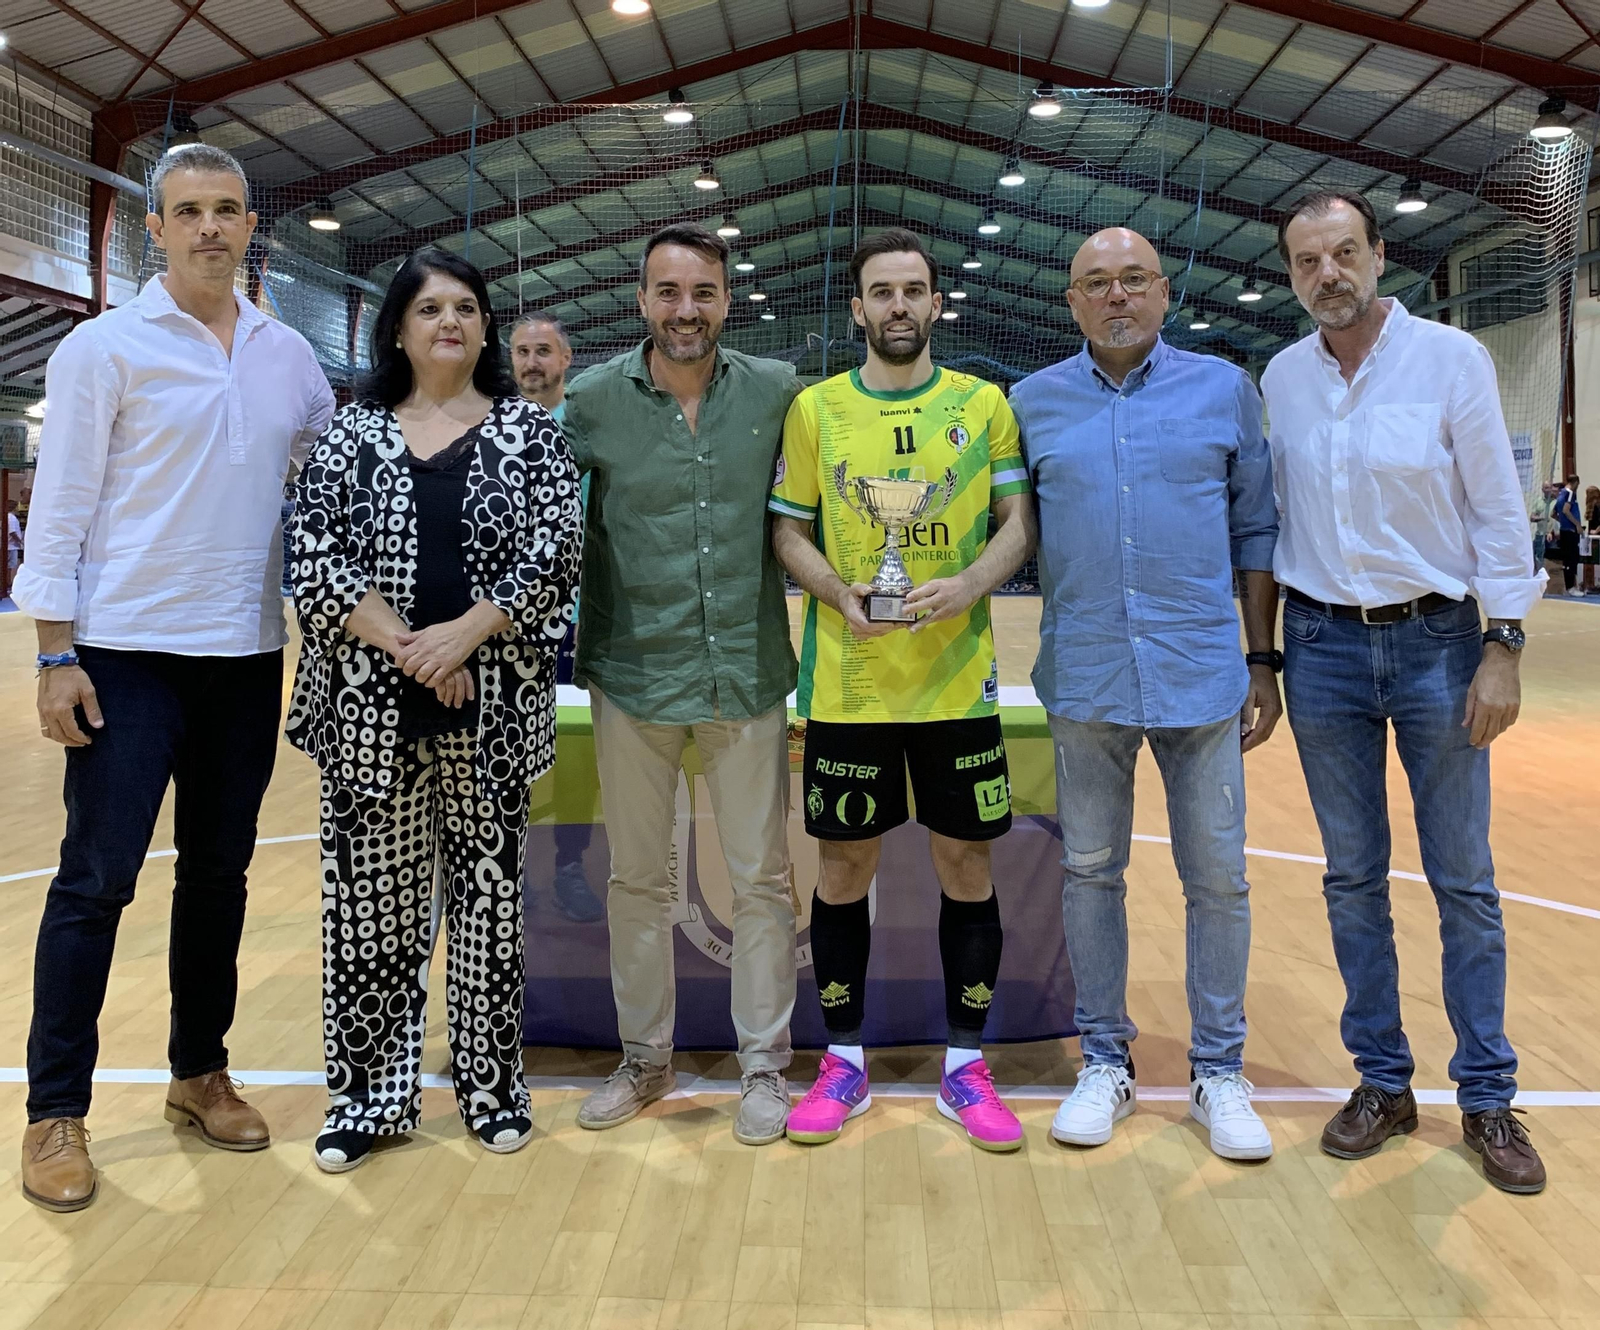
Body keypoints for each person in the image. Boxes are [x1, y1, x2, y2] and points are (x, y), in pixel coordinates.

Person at [13, 143, 334, 1212]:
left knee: (218, 877)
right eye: (187, 211)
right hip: (124, 654)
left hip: (245, 652)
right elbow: (60, 505)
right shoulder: (104, 347)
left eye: (226, 209)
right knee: (95, 881)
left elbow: (331, 478)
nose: (209, 227)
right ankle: (55, 1111)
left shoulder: (290, 355)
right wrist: (55, 653)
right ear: (153, 229)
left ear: (251, 227)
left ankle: (199, 1072)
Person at [1266, 190, 1547, 1194]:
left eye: (1344, 252)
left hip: (1438, 643)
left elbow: (1498, 511)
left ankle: (1487, 1094)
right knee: (1352, 877)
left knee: (1463, 878)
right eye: (1308, 261)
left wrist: (1502, 643)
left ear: (1379, 254)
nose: (1328, 274)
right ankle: (1382, 1082)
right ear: (1291, 274)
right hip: (1320, 646)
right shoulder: (1282, 377)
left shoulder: (1450, 359)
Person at [287, 246, 581, 1173]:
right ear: (399, 330)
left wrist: (465, 635)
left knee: (491, 915)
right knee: (368, 915)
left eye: (464, 307)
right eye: (428, 309)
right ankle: (367, 1098)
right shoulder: (350, 433)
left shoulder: (531, 435)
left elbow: (556, 555)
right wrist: (413, 649)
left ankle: (493, 1090)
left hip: (491, 712)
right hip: (370, 712)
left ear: (486, 328)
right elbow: (313, 553)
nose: (447, 322)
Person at [1009, 227, 1281, 1161]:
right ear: (1072, 302)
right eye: (1096, 283)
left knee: (1219, 879)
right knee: (1091, 874)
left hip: (1201, 676)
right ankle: (1104, 1060)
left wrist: (1262, 659)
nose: (1116, 296)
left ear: (1165, 292)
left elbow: (1255, 530)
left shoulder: (1225, 390)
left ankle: (1218, 1070)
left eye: (1133, 279)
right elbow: (1010, 528)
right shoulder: (1030, 403)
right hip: (1085, 676)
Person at [771, 228, 1037, 1152]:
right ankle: (843, 1061)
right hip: (850, 690)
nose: (898, 306)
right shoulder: (816, 410)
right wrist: (838, 592)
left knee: (967, 867)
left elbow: (1018, 522)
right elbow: (789, 530)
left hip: (958, 688)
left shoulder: (983, 403)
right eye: (881, 292)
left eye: (912, 290)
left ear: (935, 304)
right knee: (844, 871)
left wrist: (968, 586)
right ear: (857, 308)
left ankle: (966, 1068)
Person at [561, 222, 801, 1146]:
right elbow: (537, 513)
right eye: (668, 292)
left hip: (745, 672)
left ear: (727, 300)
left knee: (761, 880)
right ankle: (645, 1059)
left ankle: (764, 1067)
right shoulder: (590, 401)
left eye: (703, 292)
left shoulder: (778, 391)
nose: (686, 310)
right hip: (633, 676)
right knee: (637, 880)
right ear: (642, 300)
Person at [509, 312, 604, 923]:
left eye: (544, 350)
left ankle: (569, 864)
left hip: (576, 622)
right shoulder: (492, 430)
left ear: (566, 359)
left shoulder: (590, 430)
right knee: (510, 745)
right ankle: (508, 866)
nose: (532, 362)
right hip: (508, 623)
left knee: (575, 753)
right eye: (522, 351)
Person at [1554, 474, 1582, 596]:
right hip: (1570, 531)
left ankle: (1569, 586)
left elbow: (1554, 513)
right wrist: (1577, 525)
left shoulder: (1560, 494)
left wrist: (1563, 522)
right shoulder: (1570, 493)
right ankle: (1571, 587)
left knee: (1566, 560)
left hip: (1563, 530)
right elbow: (1566, 510)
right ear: (1576, 483)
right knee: (1572, 559)